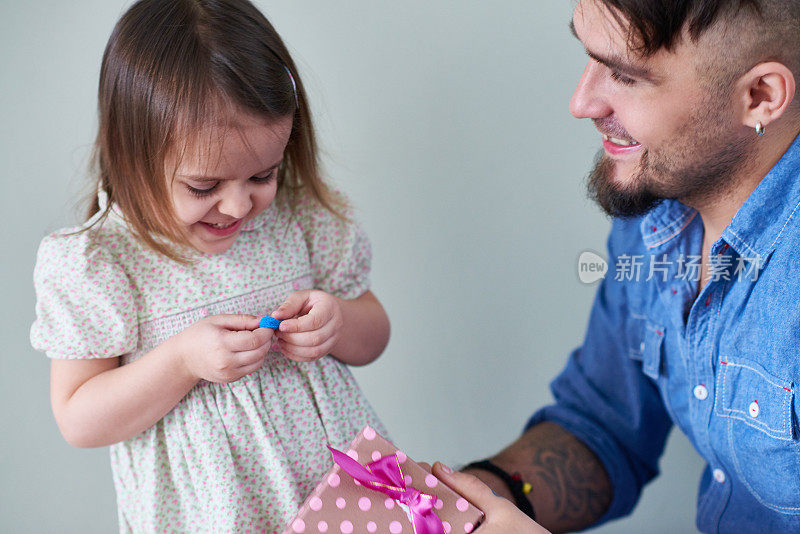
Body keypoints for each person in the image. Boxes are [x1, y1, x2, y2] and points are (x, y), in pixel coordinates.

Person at [438, 0, 800, 532]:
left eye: (624, 76)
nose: (581, 102)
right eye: (590, 59)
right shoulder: (656, 208)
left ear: (760, 96)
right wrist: (476, 502)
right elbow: (602, 424)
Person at [29, 0, 390, 531]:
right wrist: (179, 362)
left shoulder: (299, 219)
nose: (239, 206)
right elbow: (79, 418)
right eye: (204, 186)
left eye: (263, 175)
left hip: (344, 505)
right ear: (134, 157)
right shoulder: (101, 262)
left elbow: (375, 334)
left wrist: (337, 321)